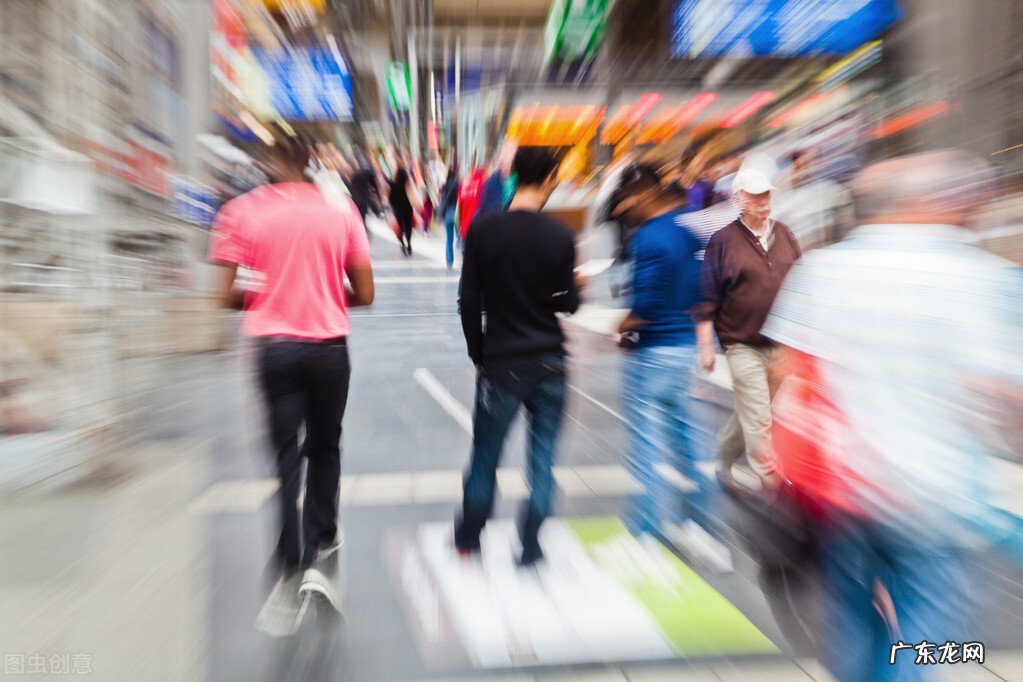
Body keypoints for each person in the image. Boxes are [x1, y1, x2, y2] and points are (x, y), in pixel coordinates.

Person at [762, 150, 1022, 682]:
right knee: (935, 637)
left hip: (838, 489)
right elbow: (1004, 391)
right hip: (933, 494)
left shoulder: (824, 268)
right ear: (931, 204)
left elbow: (782, 371)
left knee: (853, 619)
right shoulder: (979, 276)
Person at [208, 126, 374, 637]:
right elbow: (365, 293)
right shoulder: (340, 211)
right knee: (325, 448)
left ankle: (290, 561)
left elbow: (223, 295)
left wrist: (270, 296)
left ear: (266, 161)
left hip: (275, 352)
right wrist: (321, 294)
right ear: (309, 160)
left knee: (285, 459)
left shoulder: (241, 213)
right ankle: (322, 546)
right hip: (328, 350)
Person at [455, 147, 582, 567]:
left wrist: (478, 352)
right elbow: (568, 304)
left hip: (501, 360)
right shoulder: (560, 235)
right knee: (542, 458)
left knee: (486, 453)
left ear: (514, 178)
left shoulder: (484, 229)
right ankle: (530, 545)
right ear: (548, 179)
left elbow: (468, 300)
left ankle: (470, 535)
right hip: (551, 361)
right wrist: (572, 285)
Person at [614, 166, 733, 572]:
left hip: (655, 353)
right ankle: (702, 526)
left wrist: (622, 325)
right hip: (686, 349)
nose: (623, 211)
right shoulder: (688, 233)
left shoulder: (648, 236)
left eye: (626, 203)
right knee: (691, 443)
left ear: (642, 197)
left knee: (648, 445)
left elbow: (646, 301)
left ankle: (646, 532)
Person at [692, 168, 801, 493]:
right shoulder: (723, 240)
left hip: (779, 343)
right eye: (755, 196)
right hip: (741, 343)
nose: (763, 201)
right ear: (739, 199)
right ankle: (770, 481)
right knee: (757, 415)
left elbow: (798, 283)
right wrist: (706, 346)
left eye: (766, 194)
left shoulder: (784, 233)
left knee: (756, 410)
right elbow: (707, 297)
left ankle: (723, 458)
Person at [477, 140, 518, 216]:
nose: (502, 158)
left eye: (507, 154)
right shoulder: (491, 182)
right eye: (503, 154)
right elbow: (482, 210)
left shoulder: (522, 182)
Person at [389, 168, 421, 256]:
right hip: (408, 209)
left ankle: (402, 244)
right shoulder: (408, 185)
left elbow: (391, 198)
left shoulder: (393, 185)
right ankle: (409, 244)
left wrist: (393, 206)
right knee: (408, 227)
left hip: (398, 209)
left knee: (399, 228)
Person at [457, 163, 487, 244]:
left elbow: (459, 208)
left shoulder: (463, 184)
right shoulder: (484, 185)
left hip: (464, 228)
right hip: (476, 228)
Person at [438, 166, 461, 268]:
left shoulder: (445, 186)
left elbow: (442, 200)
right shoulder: (458, 185)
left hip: (447, 213)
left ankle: (449, 261)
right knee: (460, 237)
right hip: (456, 213)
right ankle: (462, 258)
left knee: (449, 238)